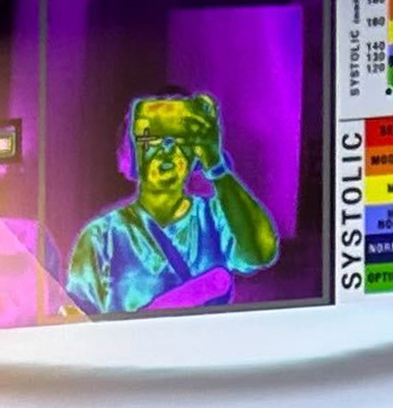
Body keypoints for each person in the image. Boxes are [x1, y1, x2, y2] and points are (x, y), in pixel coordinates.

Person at [66, 92, 282, 317]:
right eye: (151, 140)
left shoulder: (215, 218)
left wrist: (215, 164)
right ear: (131, 153)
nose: (167, 150)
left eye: (181, 140)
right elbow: (77, 317)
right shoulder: (102, 236)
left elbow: (261, 252)